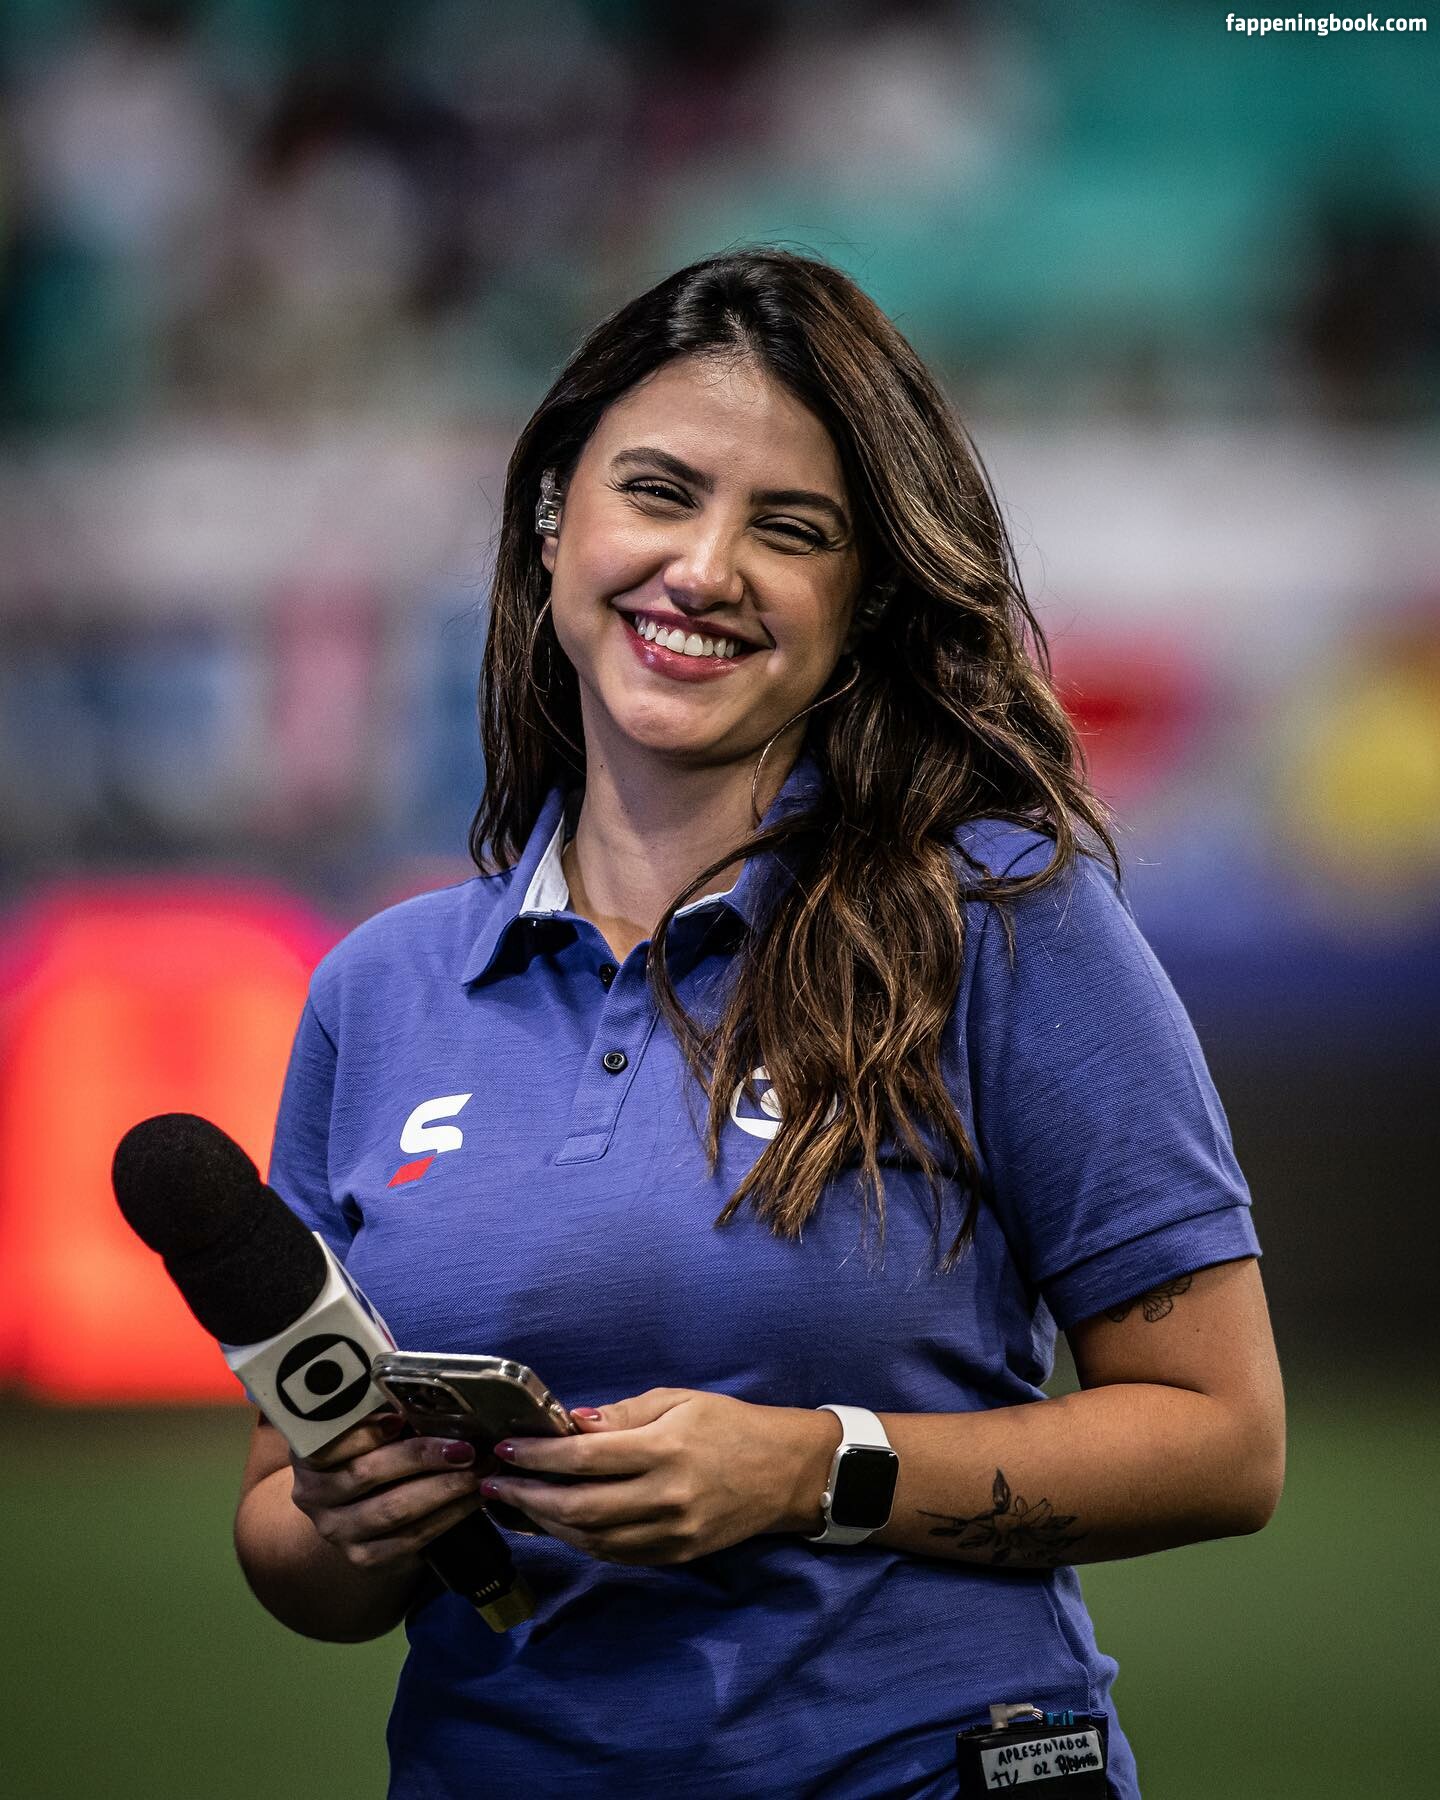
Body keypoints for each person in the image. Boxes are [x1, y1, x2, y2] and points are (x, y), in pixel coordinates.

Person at [234, 248, 1285, 1799]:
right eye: (659, 493)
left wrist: (816, 1470)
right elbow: (289, 1534)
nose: (706, 568)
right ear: (553, 521)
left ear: (862, 607)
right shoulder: (375, 990)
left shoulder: (1003, 919)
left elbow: (1223, 1440)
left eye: (790, 531)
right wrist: (358, 1522)